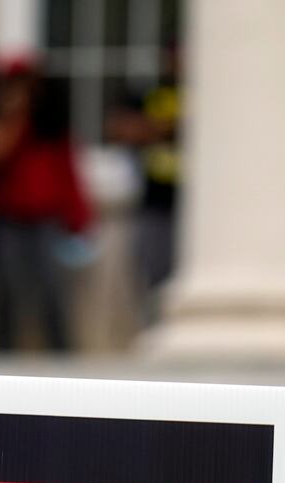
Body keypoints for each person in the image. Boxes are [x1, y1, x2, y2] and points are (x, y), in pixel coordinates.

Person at [0, 61, 90, 352]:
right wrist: (13, 116)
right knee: (7, 292)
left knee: (52, 290)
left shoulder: (53, 126)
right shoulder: (2, 123)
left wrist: (80, 217)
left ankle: (62, 354)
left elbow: (68, 172)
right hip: (9, 218)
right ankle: (1, 355)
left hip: (46, 218)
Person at [106, 47, 183, 323]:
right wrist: (164, 128)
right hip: (155, 202)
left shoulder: (209, 92)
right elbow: (121, 128)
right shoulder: (151, 95)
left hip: (201, 211)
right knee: (153, 282)